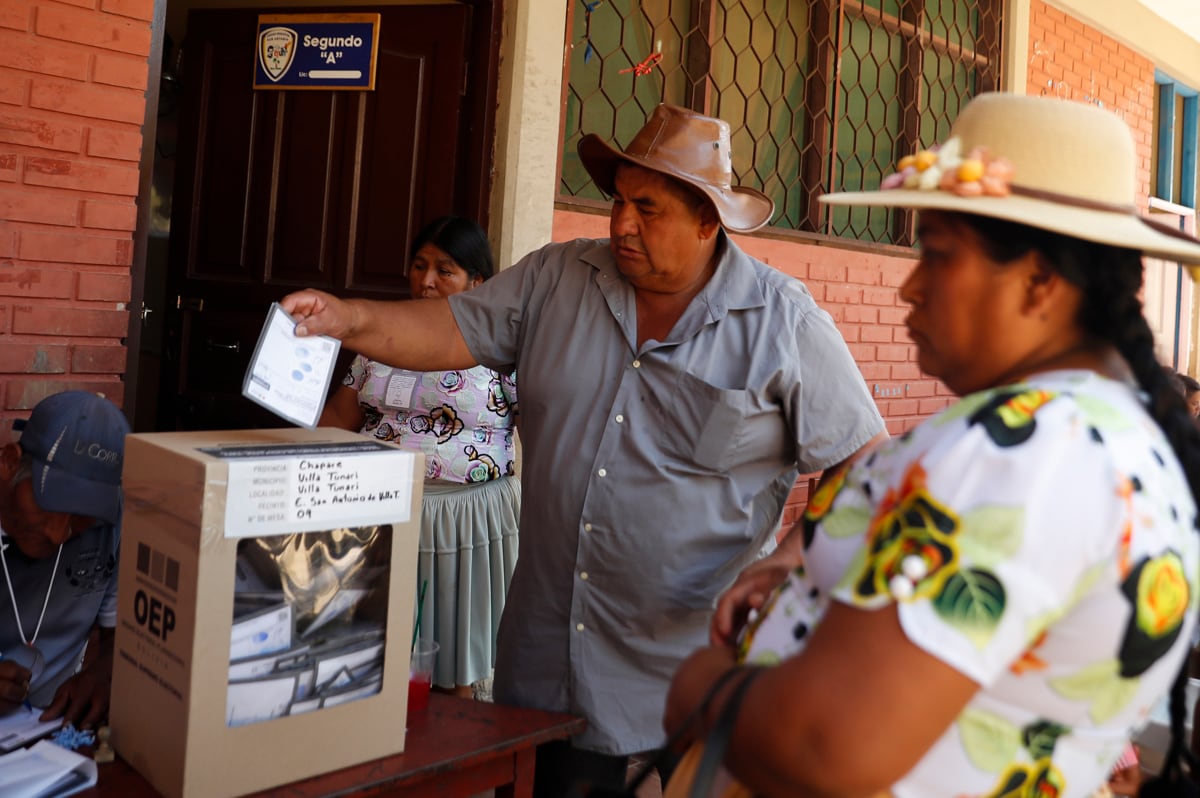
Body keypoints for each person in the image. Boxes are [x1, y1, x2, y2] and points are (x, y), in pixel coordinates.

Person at [283, 103, 886, 795]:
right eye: (619, 201)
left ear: (706, 221)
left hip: (692, 676)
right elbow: (448, 329)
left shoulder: (785, 323)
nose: (622, 223)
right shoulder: (556, 279)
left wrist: (789, 560)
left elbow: (865, 465)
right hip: (548, 666)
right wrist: (347, 319)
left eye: (648, 209)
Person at [665, 92, 1200, 796]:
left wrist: (699, 688)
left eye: (939, 256)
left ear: (1040, 282)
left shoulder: (1016, 449)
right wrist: (817, 576)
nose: (910, 289)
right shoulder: (1122, 435)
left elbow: (828, 745)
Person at [320, 215, 519, 699]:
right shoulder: (379, 344)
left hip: (463, 521)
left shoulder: (505, 351)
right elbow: (338, 420)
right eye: (419, 265)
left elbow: (545, 426)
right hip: (377, 516)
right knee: (376, 653)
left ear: (479, 283)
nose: (426, 280)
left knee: (454, 662)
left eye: (444, 269)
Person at [0, 390, 129, 729]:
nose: (59, 535)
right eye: (51, 503)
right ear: (9, 463)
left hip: (50, 735)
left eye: (83, 516)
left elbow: (122, 631)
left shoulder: (113, 523)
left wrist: (104, 672)